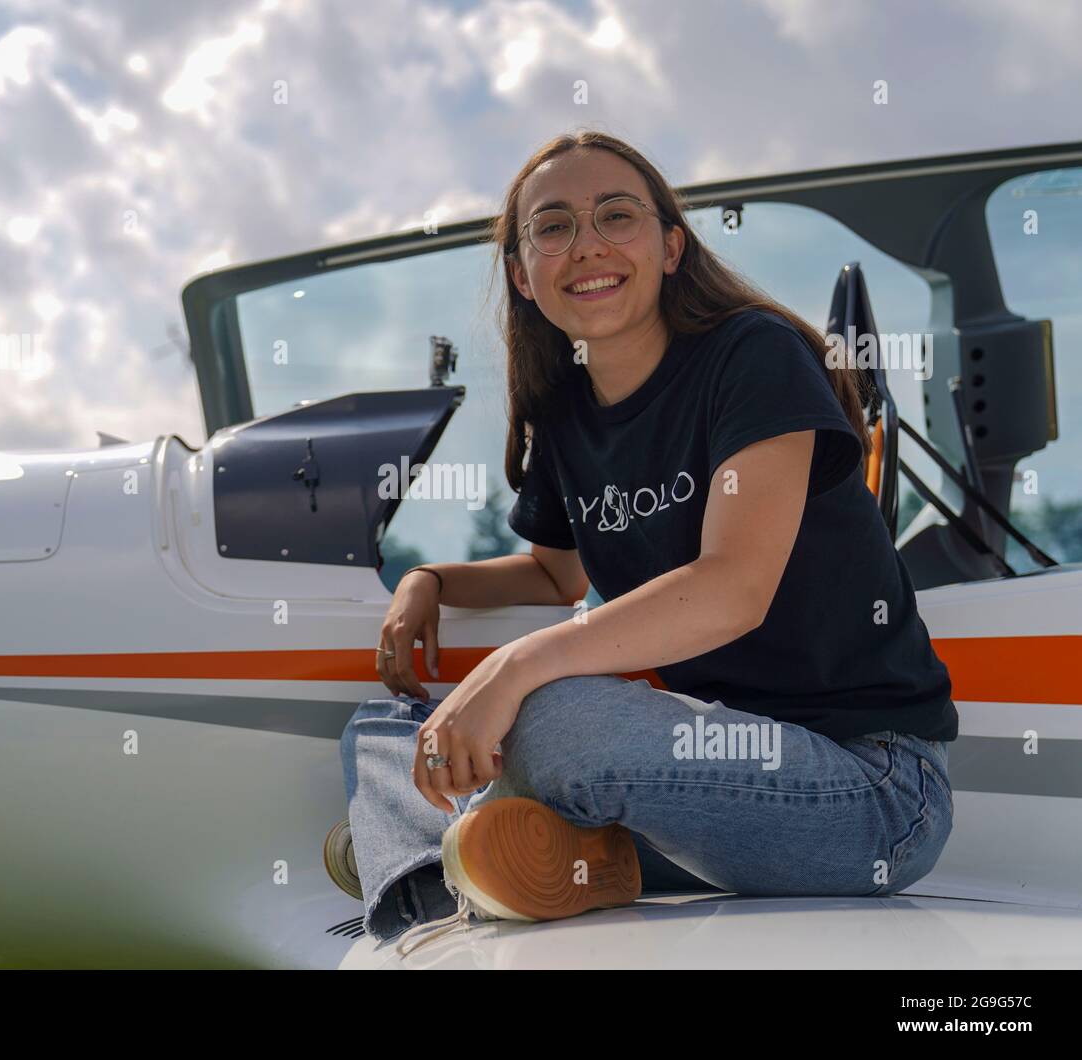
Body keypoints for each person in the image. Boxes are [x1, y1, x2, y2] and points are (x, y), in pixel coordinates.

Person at [330, 130, 957, 955]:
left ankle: (430, 854)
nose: (587, 244)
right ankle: (499, 867)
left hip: (871, 792)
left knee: (553, 721)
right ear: (522, 274)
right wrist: (432, 582)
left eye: (616, 215)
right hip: (700, 785)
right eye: (553, 227)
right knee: (382, 723)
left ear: (670, 246)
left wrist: (513, 669)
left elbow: (734, 588)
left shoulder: (753, 355)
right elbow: (555, 576)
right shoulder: (565, 416)